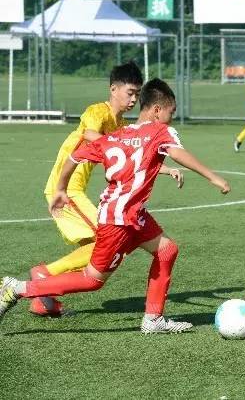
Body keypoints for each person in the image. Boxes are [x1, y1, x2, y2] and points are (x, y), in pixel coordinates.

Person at [0, 78, 231, 334]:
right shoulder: (159, 131)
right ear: (157, 110)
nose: (171, 118)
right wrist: (213, 177)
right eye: (171, 112)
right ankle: (16, 288)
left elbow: (74, 157)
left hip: (133, 214)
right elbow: (177, 153)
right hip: (118, 220)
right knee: (92, 280)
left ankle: (153, 319)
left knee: (167, 250)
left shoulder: (119, 135)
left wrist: (61, 188)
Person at [32, 61, 183, 317]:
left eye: (137, 94)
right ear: (113, 89)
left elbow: (132, 156)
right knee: (104, 242)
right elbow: (91, 135)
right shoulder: (98, 112)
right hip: (65, 189)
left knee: (98, 248)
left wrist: (165, 169)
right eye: (130, 92)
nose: (133, 99)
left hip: (75, 189)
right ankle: (44, 274)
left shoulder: (119, 125)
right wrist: (115, 143)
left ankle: (42, 295)